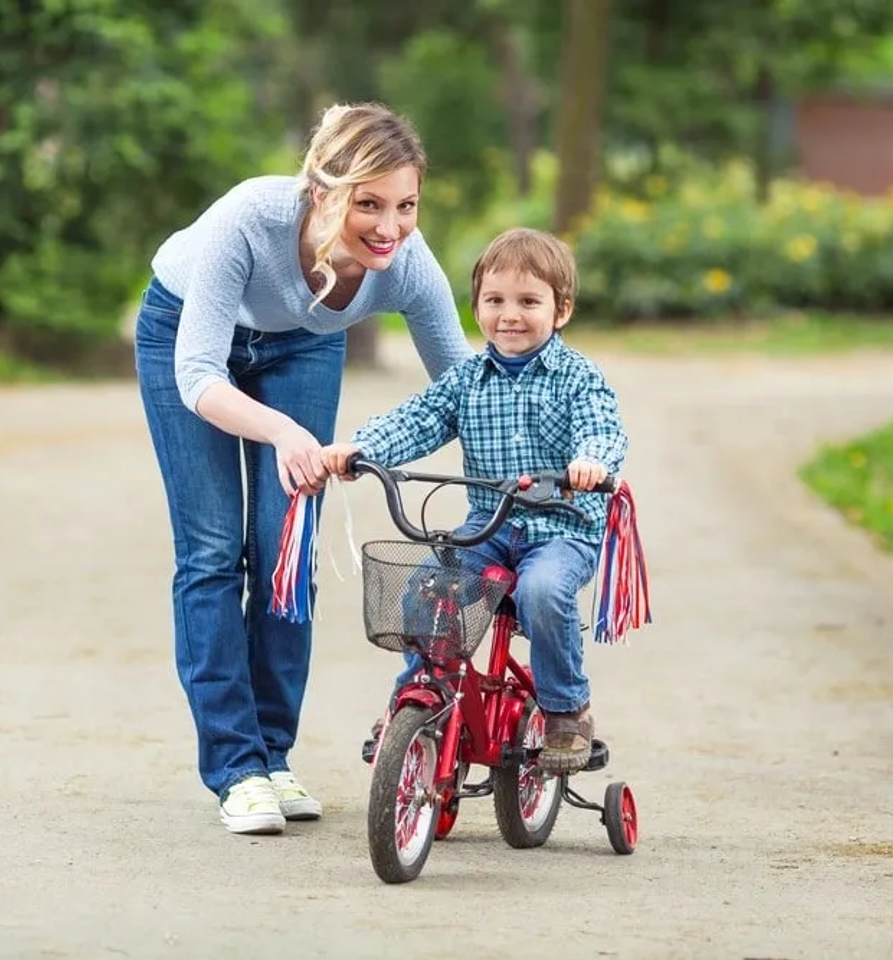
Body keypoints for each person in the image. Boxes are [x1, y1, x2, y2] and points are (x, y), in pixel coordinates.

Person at [134, 102, 474, 835]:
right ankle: (235, 768)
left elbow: (472, 391)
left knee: (287, 546)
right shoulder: (248, 221)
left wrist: (537, 474)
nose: (390, 227)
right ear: (323, 192)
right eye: (370, 204)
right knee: (214, 550)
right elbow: (198, 376)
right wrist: (284, 433)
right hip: (186, 335)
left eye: (407, 205)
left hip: (302, 346)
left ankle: (272, 755)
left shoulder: (405, 266)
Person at [321, 227, 628, 774]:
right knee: (424, 588)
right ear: (478, 306)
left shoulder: (579, 379)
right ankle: (422, 694)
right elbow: (418, 419)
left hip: (562, 530)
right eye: (495, 301)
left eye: (529, 302)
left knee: (541, 590)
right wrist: (362, 449)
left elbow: (601, 430)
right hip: (490, 527)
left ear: (562, 311)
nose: (510, 315)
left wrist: (593, 463)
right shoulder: (466, 379)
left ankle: (565, 709)